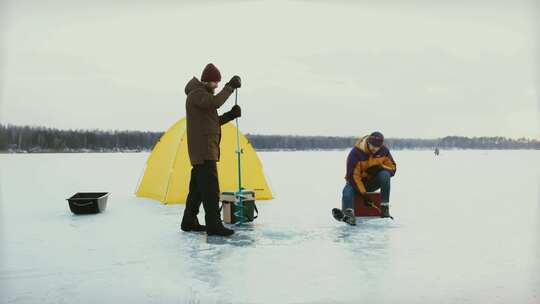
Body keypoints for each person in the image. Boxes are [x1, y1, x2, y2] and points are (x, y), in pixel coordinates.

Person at [180, 63, 242, 236]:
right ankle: (214, 225)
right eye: (214, 82)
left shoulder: (202, 97)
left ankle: (189, 221)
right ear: (206, 81)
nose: (216, 86)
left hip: (204, 150)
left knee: (198, 190)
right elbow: (215, 102)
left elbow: (212, 122)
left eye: (218, 83)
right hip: (204, 151)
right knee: (211, 190)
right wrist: (229, 87)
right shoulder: (197, 94)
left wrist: (231, 115)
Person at [332, 132, 397, 225]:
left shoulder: (384, 151)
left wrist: (380, 167)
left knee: (385, 175)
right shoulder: (355, 153)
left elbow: (392, 168)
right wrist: (364, 195)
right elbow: (352, 176)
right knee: (347, 191)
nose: (375, 149)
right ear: (368, 142)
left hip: (371, 183)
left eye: (378, 146)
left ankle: (384, 209)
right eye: (372, 145)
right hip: (355, 183)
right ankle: (348, 214)